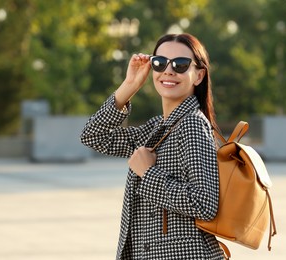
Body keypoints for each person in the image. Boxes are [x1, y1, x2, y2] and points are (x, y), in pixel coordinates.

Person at [80, 33, 224, 259]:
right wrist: (129, 86)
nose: (168, 71)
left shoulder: (192, 125)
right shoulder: (157, 128)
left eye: (180, 64)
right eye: (159, 63)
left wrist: (148, 173)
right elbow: (93, 136)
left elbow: (204, 203)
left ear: (199, 75)